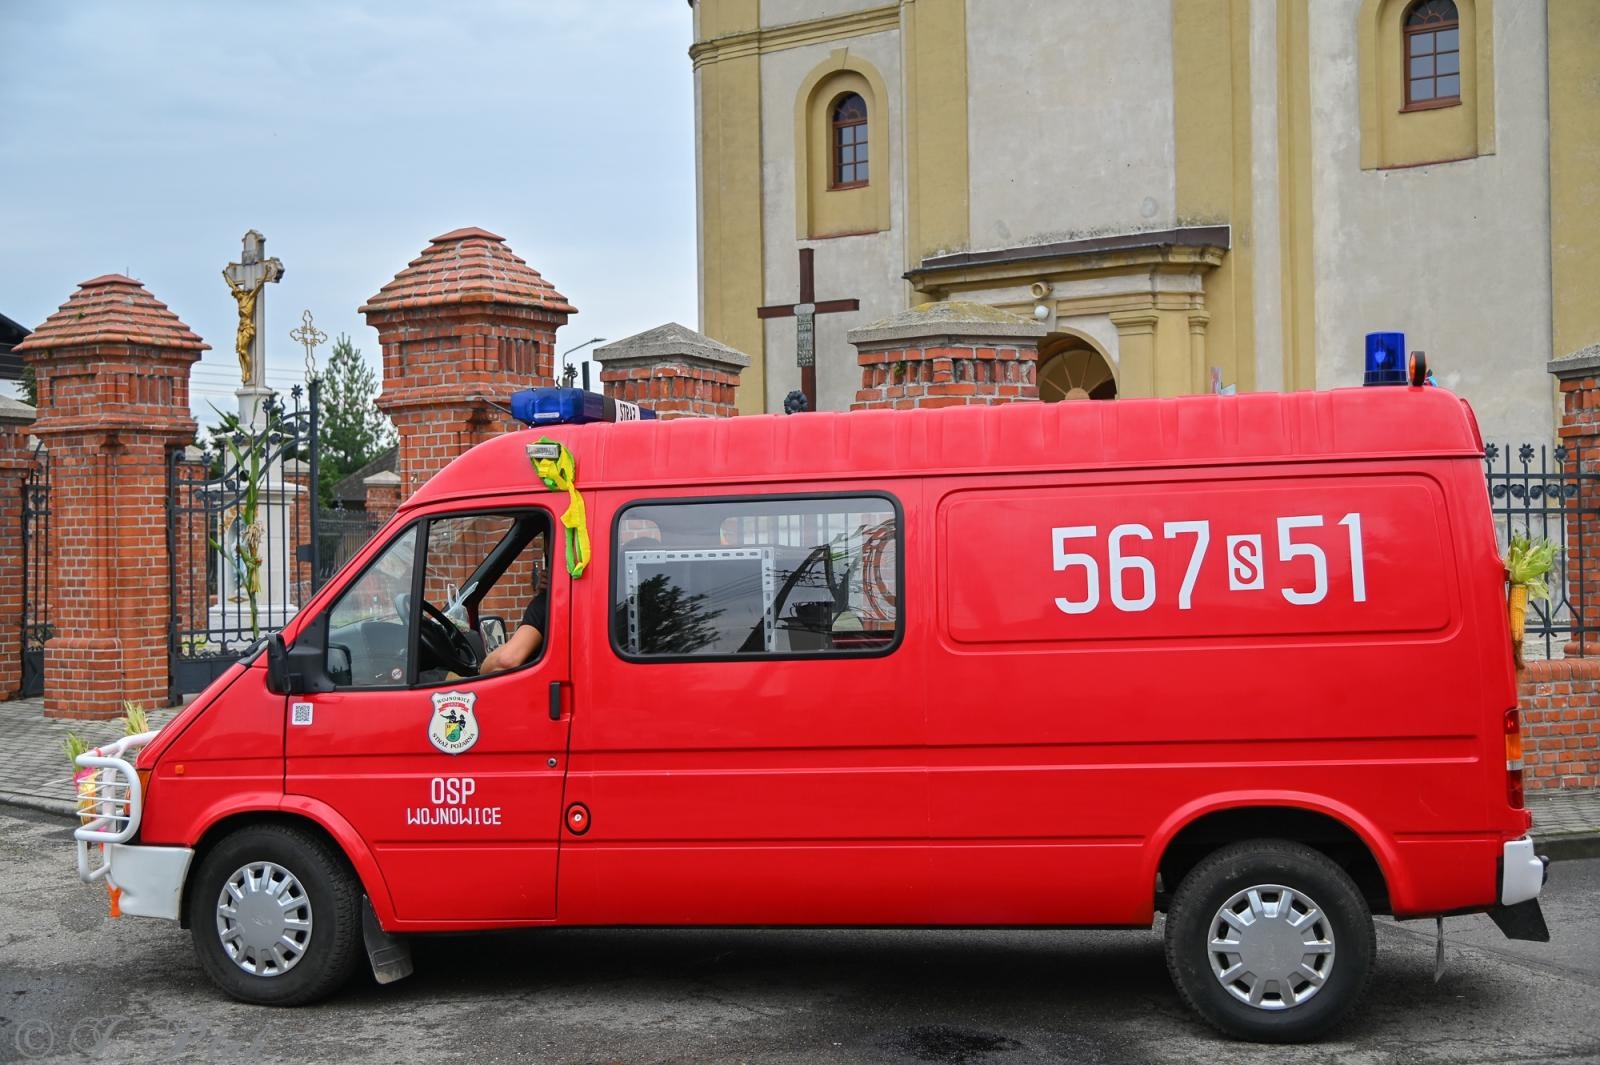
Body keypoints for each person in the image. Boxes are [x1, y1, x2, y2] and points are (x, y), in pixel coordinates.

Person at [479, 589, 548, 673]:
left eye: (549, 574)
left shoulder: (544, 603)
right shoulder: (562, 604)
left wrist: (481, 672)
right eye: (541, 573)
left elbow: (506, 660)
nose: (543, 575)